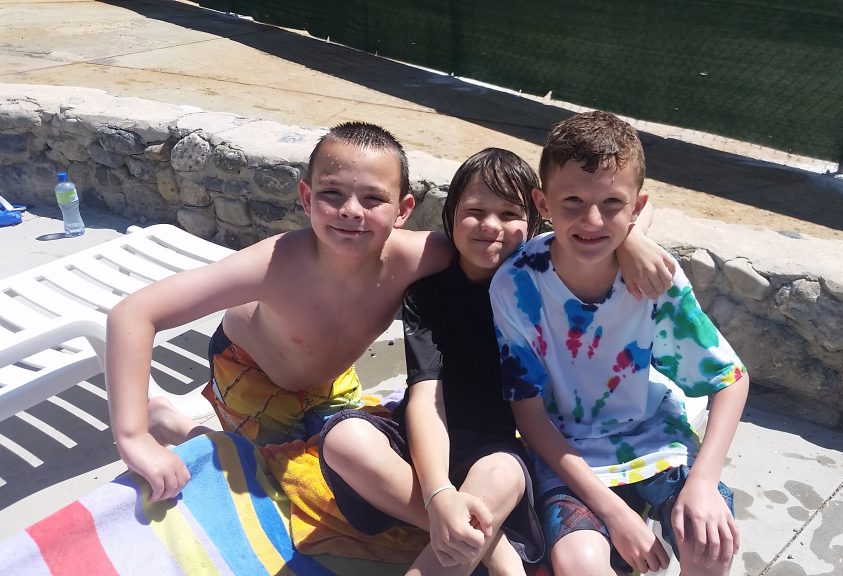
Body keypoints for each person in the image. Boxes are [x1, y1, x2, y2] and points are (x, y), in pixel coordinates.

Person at [317, 147, 675, 576]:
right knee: (344, 437)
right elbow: (427, 400)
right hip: (423, 440)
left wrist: (633, 240)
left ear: (536, 221)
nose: (490, 225)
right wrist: (438, 493)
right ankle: (492, 544)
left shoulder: (543, 282)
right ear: (451, 215)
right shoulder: (429, 294)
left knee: (505, 474)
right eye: (475, 211)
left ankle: (455, 540)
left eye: (509, 214)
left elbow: (632, 206)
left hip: (493, 447)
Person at [105, 122, 452, 503]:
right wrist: (134, 437)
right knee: (265, 477)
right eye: (332, 193)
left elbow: (488, 254)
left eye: (373, 198)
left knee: (347, 464)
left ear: (403, 210)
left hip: (329, 377)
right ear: (306, 198)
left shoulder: (419, 257)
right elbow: (133, 313)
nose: (351, 211)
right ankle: (173, 424)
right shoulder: (273, 265)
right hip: (251, 371)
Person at [490, 111, 749, 576]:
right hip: (566, 449)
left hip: (652, 436)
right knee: (579, 563)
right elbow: (529, 417)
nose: (592, 219)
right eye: (572, 201)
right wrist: (615, 514)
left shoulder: (655, 279)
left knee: (708, 542)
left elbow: (730, 378)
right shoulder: (516, 285)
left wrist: (703, 482)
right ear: (541, 202)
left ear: (636, 207)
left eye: (612, 202)